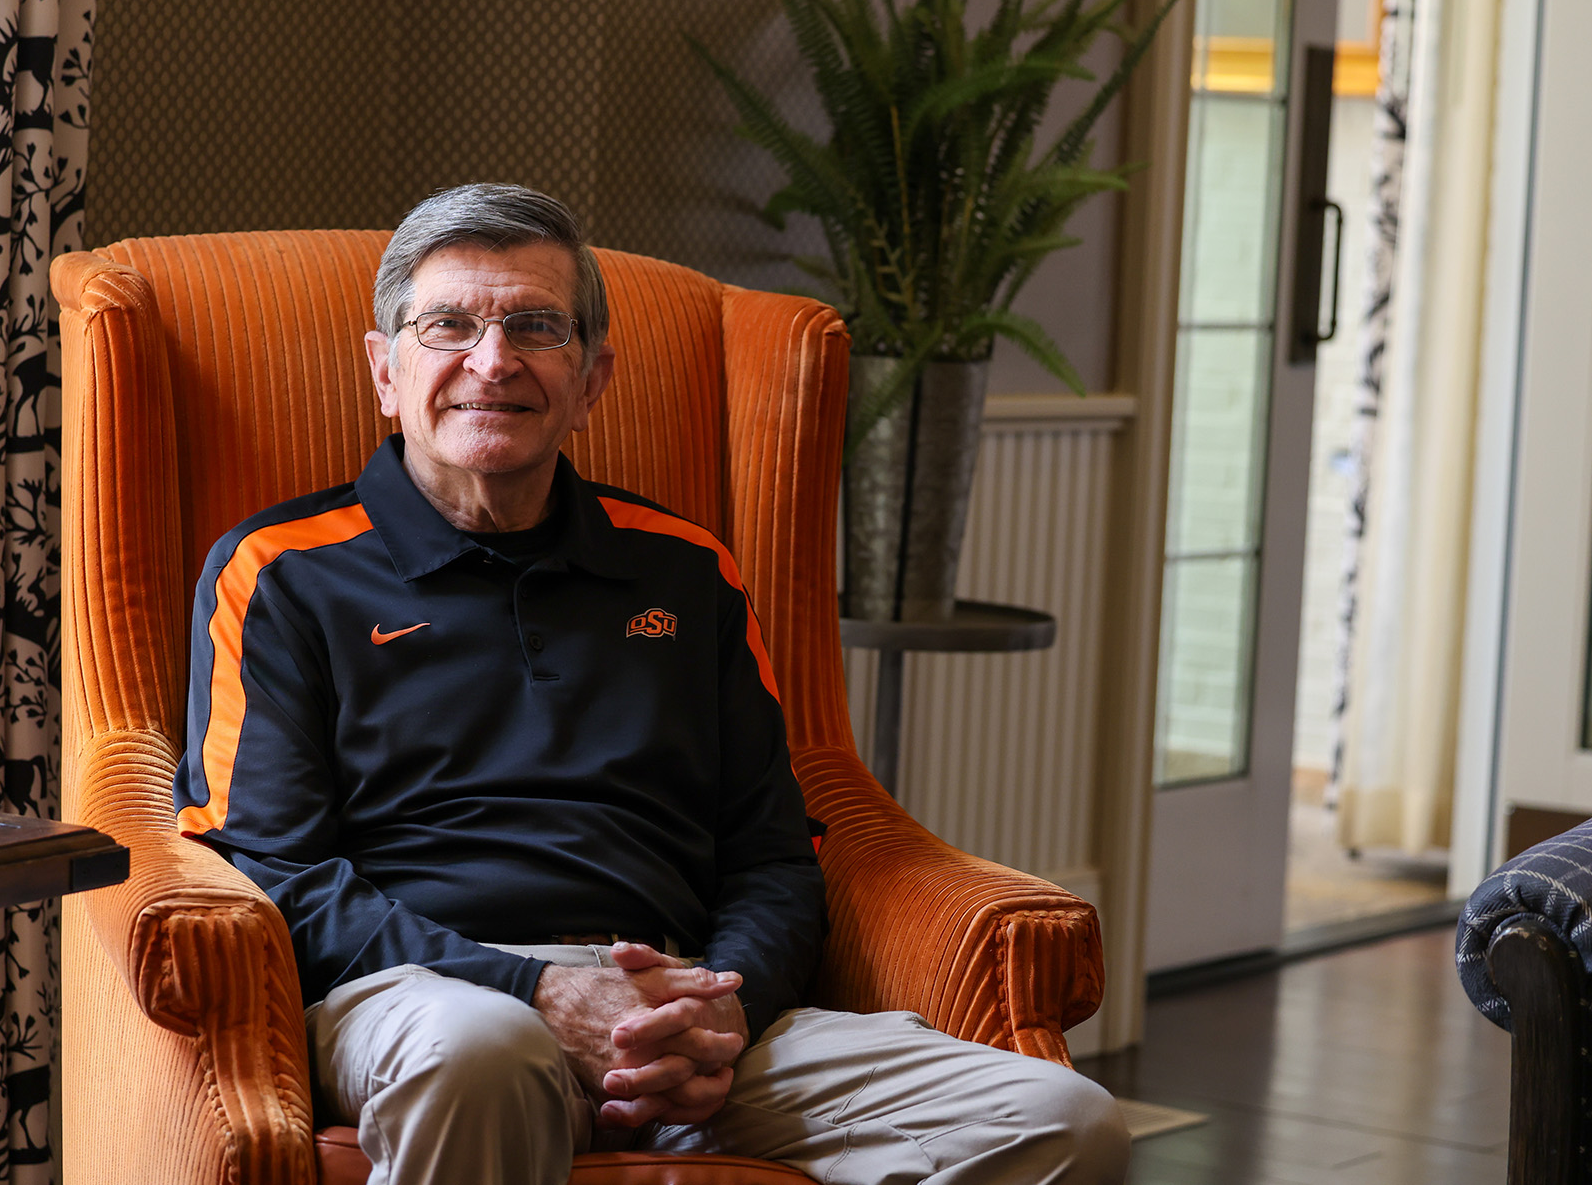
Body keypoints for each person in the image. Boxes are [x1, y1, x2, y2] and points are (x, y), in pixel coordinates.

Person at [174, 183, 1128, 1185]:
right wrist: (535, 990)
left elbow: (771, 853)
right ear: (386, 369)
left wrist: (723, 1008)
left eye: (536, 326)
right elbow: (276, 871)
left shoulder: (687, 571)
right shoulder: (282, 572)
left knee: (1064, 1120)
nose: (491, 361)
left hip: (675, 995)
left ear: (593, 377)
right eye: (448, 324)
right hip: (426, 996)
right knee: (482, 1054)